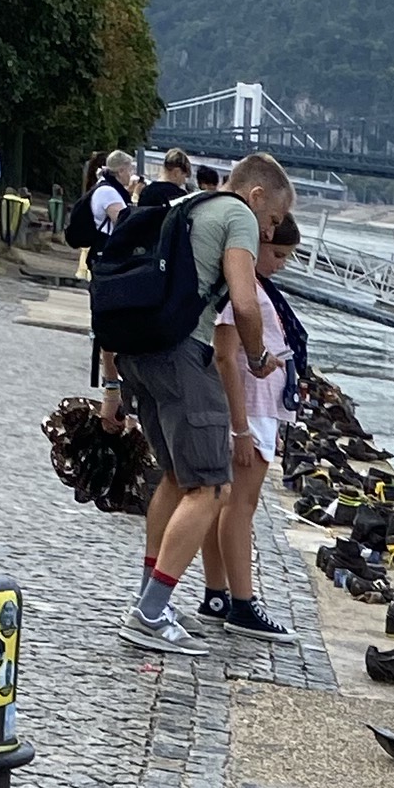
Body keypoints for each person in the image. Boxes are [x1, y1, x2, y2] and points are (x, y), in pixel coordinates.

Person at [112, 149, 295, 655]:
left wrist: (110, 385)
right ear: (256, 196)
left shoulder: (187, 204)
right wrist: (257, 357)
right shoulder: (236, 214)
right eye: (273, 219)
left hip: (139, 352)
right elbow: (242, 301)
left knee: (175, 480)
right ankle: (150, 613)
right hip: (180, 355)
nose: (269, 231)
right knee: (212, 487)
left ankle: (150, 598)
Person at [200, 208, 304, 636]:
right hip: (250, 410)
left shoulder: (258, 289)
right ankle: (242, 603)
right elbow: (225, 355)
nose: (281, 264)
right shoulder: (242, 293)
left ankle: (218, 592)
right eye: (277, 254)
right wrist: (241, 428)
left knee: (225, 503)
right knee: (240, 507)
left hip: (257, 409)